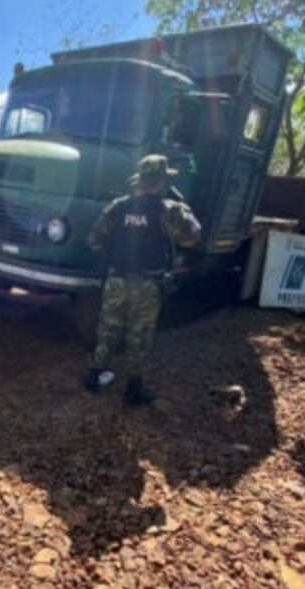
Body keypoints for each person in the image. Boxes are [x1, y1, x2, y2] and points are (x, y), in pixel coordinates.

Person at [83, 154, 202, 405]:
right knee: (140, 336)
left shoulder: (118, 206)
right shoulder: (167, 210)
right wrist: (182, 206)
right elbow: (193, 236)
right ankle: (133, 390)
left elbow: (93, 240)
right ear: (161, 181)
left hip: (116, 280)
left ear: (139, 180)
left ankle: (94, 376)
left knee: (108, 330)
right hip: (147, 285)